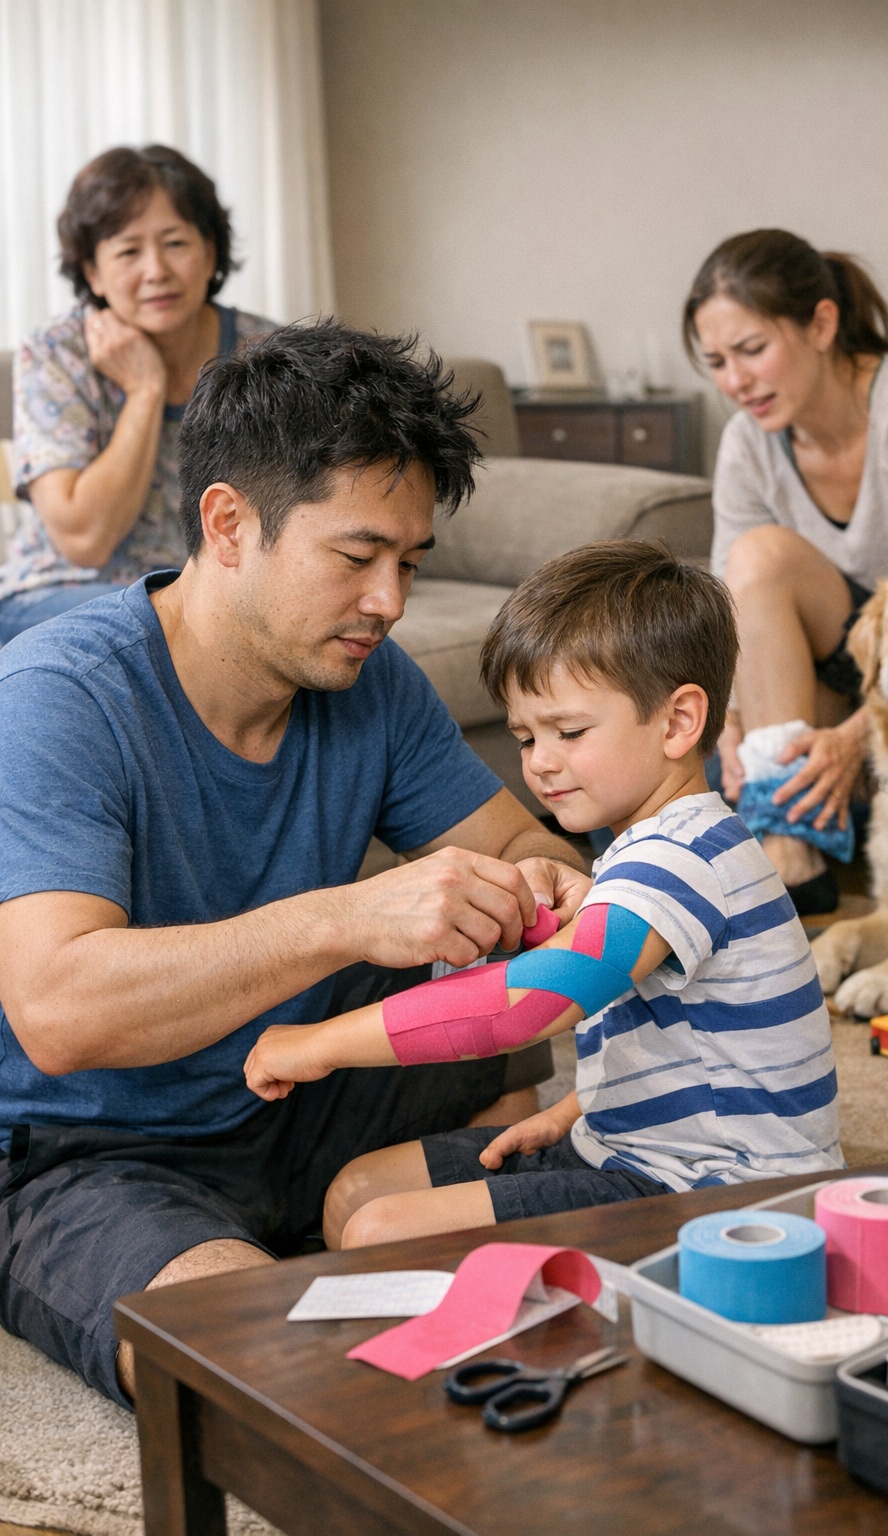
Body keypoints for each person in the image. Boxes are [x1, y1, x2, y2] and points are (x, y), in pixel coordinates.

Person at [0, 319, 589, 1406]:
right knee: (264, 1367)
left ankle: (386, 1202)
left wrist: (547, 884)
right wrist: (347, 917)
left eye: (407, 562)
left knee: (509, 1021)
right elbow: (59, 1007)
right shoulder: (58, 698)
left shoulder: (373, 681)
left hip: (297, 1073)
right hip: (89, 1143)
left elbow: (520, 847)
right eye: (357, 557)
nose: (390, 602)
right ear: (229, 524)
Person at [245, 542, 843, 1247]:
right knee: (357, 1191)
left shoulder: (682, 859)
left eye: (570, 731)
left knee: (382, 1231)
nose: (541, 763)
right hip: (637, 1150)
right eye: (526, 737)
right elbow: (688, 1042)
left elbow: (536, 1000)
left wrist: (321, 1043)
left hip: (726, 1195)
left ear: (680, 722)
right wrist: (583, 1110)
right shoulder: (653, 846)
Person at [683, 228, 888, 913]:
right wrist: (732, 724)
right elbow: (731, 612)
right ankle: (793, 857)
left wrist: (854, 739)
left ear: (822, 323)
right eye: (717, 360)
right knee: (688, 724)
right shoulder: (749, 440)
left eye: (752, 350)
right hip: (864, 663)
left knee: (764, 558)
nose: (735, 381)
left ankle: (787, 848)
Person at [0, 143, 275, 642]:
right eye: (128, 251)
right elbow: (85, 539)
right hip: (61, 590)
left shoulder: (266, 353)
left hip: (212, 590)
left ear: (210, 250)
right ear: (92, 272)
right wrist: (146, 390)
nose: (155, 271)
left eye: (175, 243)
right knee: (155, 628)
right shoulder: (56, 351)